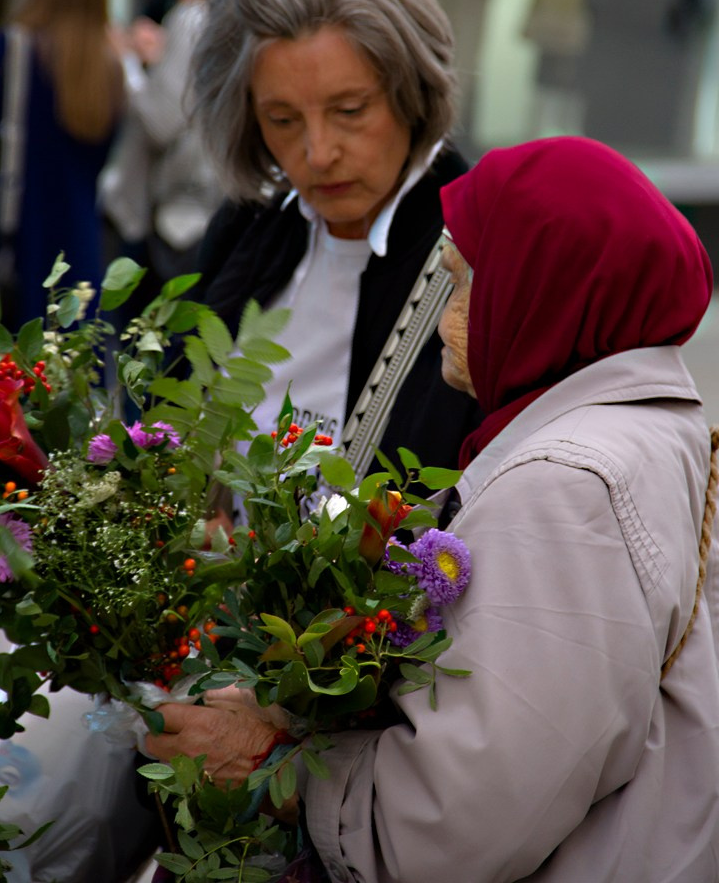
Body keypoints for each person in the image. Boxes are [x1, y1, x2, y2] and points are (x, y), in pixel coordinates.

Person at [146, 135, 719, 882]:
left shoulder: (565, 489)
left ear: (540, 290)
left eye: (462, 282)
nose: (447, 313)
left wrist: (275, 765)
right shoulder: (647, 419)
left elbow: (457, 822)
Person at [191, 0, 482, 473]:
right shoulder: (245, 228)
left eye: (350, 111)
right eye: (282, 120)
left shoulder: (477, 253)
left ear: (411, 88)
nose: (319, 152)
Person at [99, 0, 280, 285]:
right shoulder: (262, 27)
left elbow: (161, 119)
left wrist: (127, 63)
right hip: (229, 215)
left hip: (175, 221)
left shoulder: (196, 19)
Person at [0, 0, 124, 327]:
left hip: (18, 239)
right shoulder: (110, 70)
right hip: (77, 249)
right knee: (61, 371)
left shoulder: (13, 52)